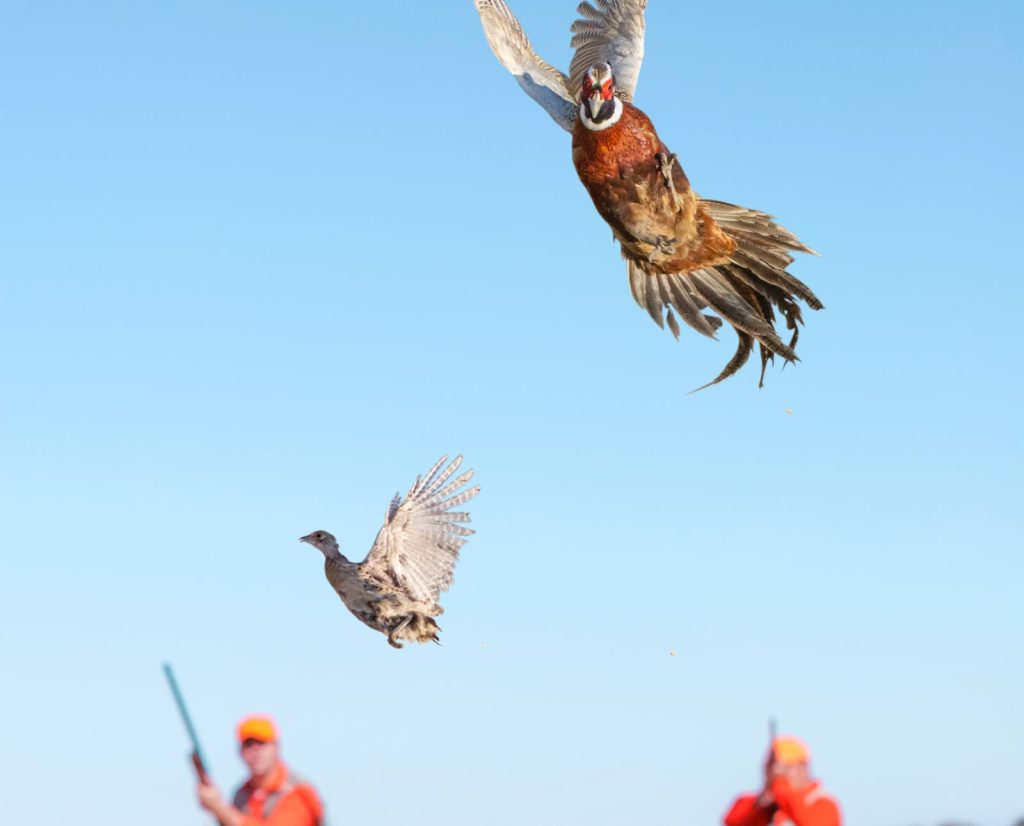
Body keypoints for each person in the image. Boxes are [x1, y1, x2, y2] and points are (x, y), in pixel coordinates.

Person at [197, 714, 324, 826]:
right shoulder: (242, 795)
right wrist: (216, 810)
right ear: (240, 752)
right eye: (249, 745)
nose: (255, 752)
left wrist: (219, 808)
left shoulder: (297, 791)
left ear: (276, 747)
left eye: (261, 743)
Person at [723, 735, 841, 826]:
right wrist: (760, 805)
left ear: (802, 768)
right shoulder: (754, 803)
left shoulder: (824, 804)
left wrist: (781, 787)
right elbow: (732, 822)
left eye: (785, 767)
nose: (775, 772)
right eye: (770, 765)